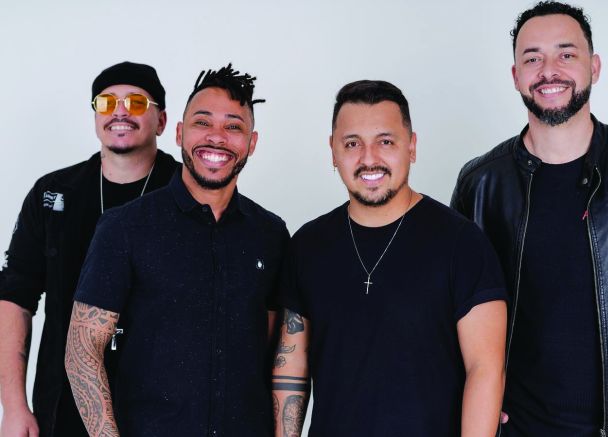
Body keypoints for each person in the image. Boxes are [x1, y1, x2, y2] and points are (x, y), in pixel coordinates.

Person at [450, 2, 608, 436]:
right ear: (515, 76)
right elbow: (446, 311)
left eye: (566, 54)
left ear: (594, 67)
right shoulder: (481, 184)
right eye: (533, 59)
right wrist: (474, 405)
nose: (549, 71)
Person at [64, 64, 289, 437]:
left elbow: (275, 355)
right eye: (203, 122)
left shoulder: (271, 234)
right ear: (180, 133)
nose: (216, 137)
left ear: (251, 143)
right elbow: (82, 352)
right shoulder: (124, 227)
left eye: (233, 127)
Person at [272, 80, 507, 436]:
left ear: (411, 147)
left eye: (385, 142)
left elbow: (486, 369)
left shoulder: (462, 243)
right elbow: (291, 368)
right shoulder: (307, 245)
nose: (369, 159)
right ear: (333, 151)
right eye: (352, 144)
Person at [0, 61, 178, 437]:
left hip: (166, 409)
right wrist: (14, 407)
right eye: (107, 103)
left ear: (161, 121)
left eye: (136, 102)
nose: (120, 112)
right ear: (96, 116)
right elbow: (14, 297)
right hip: (64, 407)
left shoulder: (187, 192)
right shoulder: (53, 194)